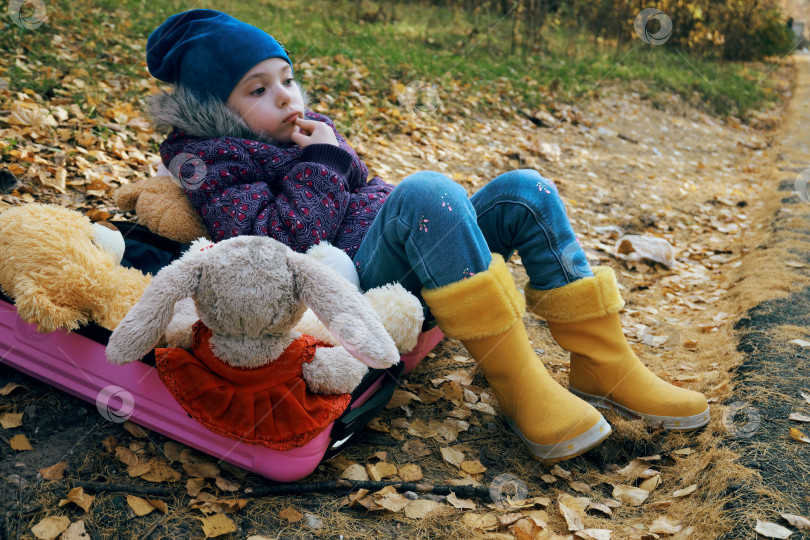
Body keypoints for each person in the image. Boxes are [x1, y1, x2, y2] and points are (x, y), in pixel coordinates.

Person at [145, 9, 710, 461]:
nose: (288, 97)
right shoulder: (212, 164)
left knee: (524, 191)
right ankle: (516, 382)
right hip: (347, 292)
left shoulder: (302, 138)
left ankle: (603, 361)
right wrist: (322, 159)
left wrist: (332, 156)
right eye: (258, 90)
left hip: (401, 255)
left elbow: (362, 194)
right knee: (424, 192)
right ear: (213, 110)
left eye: (288, 79)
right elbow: (280, 247)